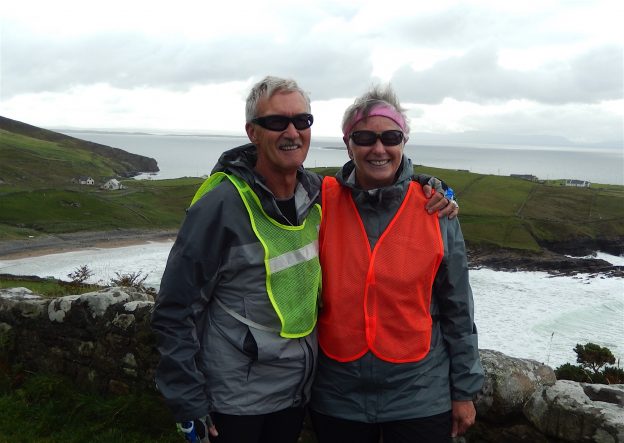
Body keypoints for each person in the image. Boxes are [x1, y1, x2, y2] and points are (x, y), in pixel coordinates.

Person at [151, 76, 458, 443]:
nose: (292, 131)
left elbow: (375, 184)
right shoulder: (221, 205)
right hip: (233, 398)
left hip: (294, 393)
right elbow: (175, 307)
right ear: (252, 132)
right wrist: (187, 399)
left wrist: (425, 184)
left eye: (302, 121)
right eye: (277, 122)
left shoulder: (314, 195)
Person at [310, 85, 484, 443]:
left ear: (404, 142)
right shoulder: (319, 200)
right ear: (348, 144)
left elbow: (458, 309)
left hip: (420, 394)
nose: (378, 148)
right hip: (338, 396)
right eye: (364, 138)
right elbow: (267, 174)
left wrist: (464, 391)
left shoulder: (436, 208)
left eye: (390, 137)